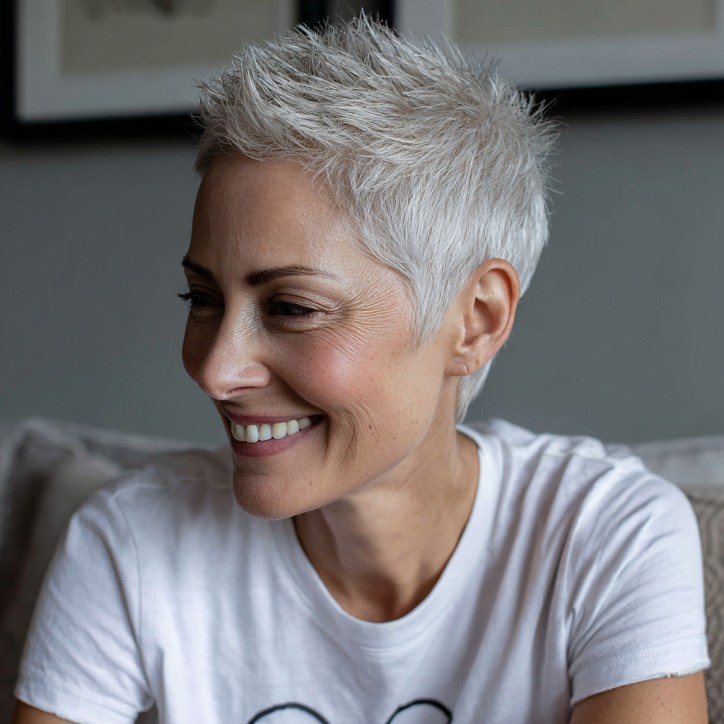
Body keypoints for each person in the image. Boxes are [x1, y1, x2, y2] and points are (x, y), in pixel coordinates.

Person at [13, 16, 709, 724]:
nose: (216, 371)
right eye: (202, 299)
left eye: (292, 307)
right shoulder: (131, 541)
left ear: (476, 319)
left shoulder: (607, 535)